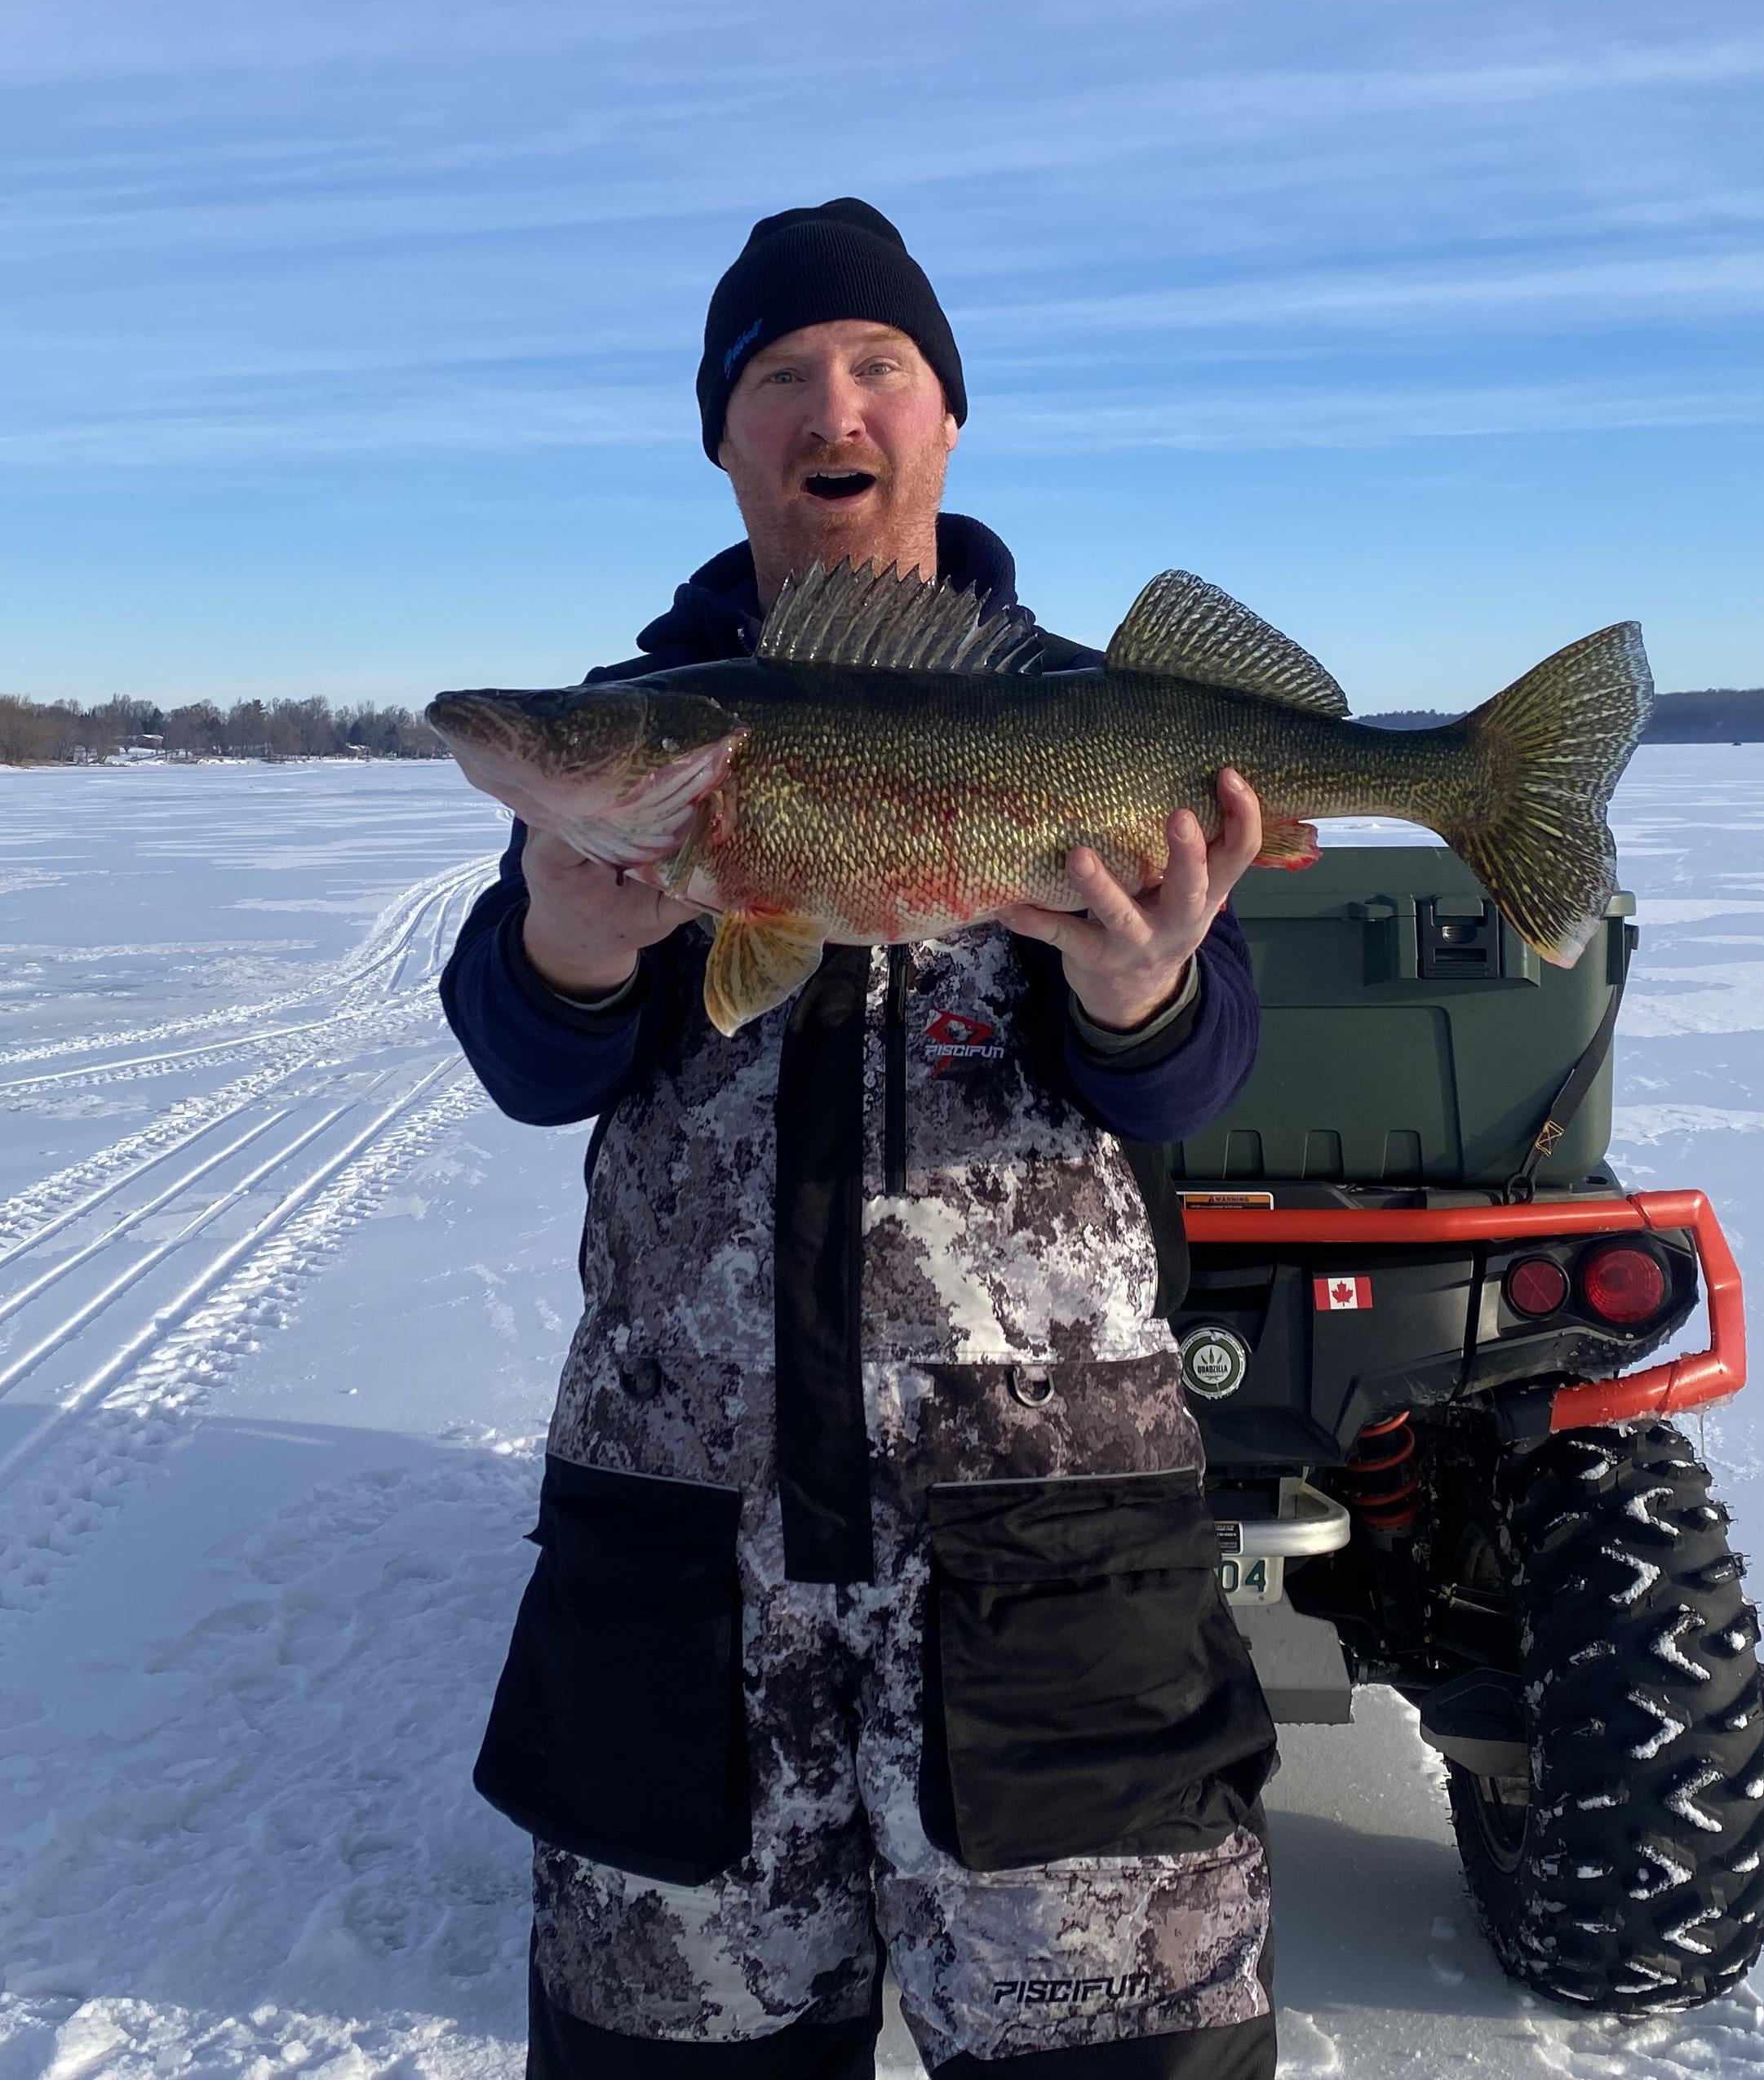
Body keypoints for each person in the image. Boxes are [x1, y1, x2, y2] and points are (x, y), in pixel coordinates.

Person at [442, 199, 1279, 2080]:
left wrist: (1144, 993)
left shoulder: (1086, 717)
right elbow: (521, 1056)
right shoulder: (644, 737)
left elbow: (1198, 1077)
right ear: (725, 438)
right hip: (686, 1587)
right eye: (780, 375)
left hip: (1055, 1586)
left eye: (879, 366)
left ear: (946, 419)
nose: (834, 407)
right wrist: (565, 951)